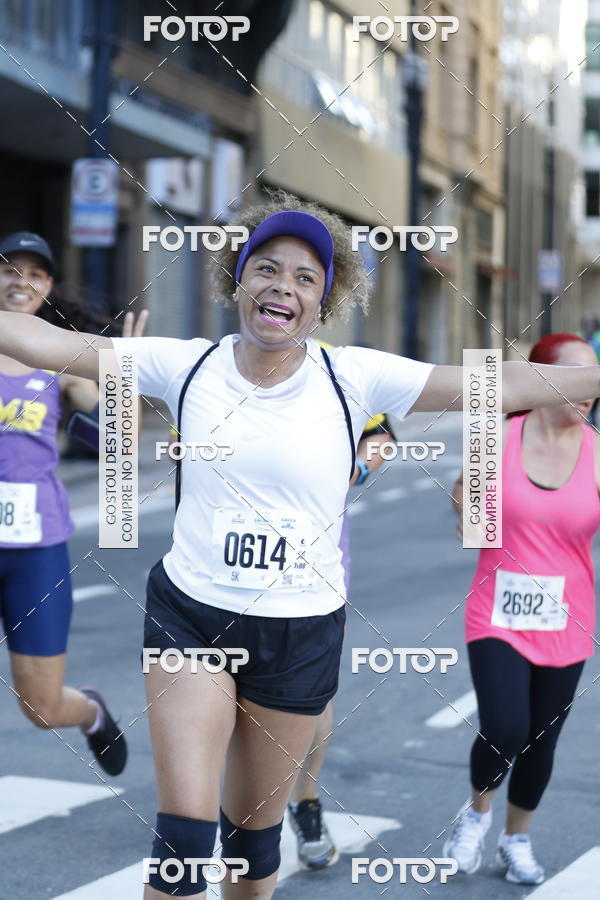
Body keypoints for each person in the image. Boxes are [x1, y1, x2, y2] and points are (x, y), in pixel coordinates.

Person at [1, 195, 600, 900]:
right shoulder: (184, 364)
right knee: (182, 843)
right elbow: (42, 342)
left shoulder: (355, 376)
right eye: (267, 268)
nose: (283, 285)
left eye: (305, 277)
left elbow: (502, 383)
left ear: (324, 299)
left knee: (251, 855)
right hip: (192, 616)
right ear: (238, 281)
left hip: (301, 631)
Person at [444, 333, 600, 886]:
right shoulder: (497, 438)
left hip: (568, 619)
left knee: (542, 739)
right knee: (506, 725)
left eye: (594, 379)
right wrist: (464, 502)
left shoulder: (598, 451)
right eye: (575, 377)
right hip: (497, 612)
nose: (587, 391)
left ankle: (517, 838)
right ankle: (476, 815)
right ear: (539, 381)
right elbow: (468, 519)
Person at [0, 231, 146, 776]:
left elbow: (120, 441)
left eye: (35, 274)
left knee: (41, 706)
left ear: (48, 287)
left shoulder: (58, 358)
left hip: (35, 549)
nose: (22, 281)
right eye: (10, 269)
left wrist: (124, 376)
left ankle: (90, 711)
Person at [287, 407, 394, 869]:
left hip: (316, 565)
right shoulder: (209, 366)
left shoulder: (336, 369)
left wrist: (358, 470)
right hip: (222, 566)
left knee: (312, 696)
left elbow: (382, 436)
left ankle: (303, 799)